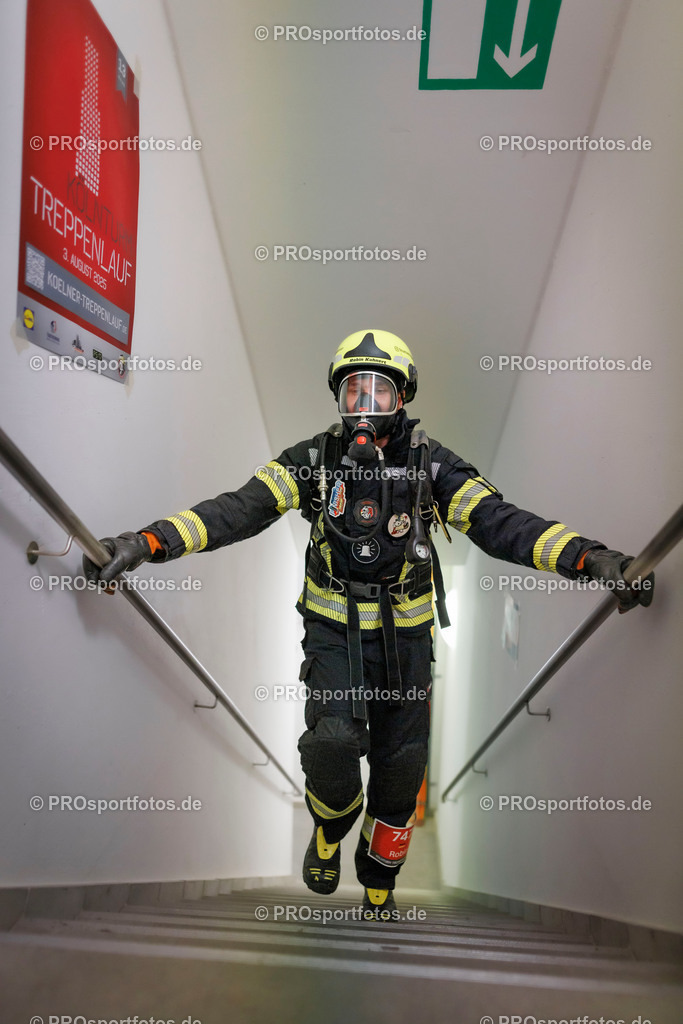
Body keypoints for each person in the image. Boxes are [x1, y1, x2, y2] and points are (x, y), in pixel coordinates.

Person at [83, 329, 654, 921]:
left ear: (402, 398)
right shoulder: (315, 460)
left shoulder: (432, 466)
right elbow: (238, 509)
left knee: (401, 775)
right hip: (333, 631)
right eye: (353, 392)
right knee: (330, 746)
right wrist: (148, 542)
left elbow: (499, 523)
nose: (365, 407)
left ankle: (379, 881)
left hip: (405, 640)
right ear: (338, 399)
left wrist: (590, 558)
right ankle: (330, 831)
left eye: (378, 392)